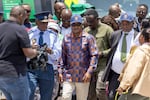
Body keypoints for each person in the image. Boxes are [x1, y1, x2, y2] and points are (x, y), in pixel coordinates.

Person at [0, 5, 38, 100]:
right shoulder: (20, 29)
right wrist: (35, 51)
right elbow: (28, 53)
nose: (25, 20)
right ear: (20, 15)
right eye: (25, 17)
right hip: (15, 73)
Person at [58, 14, 99, 100]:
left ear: (82, 25)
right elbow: (63, 56)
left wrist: (89, 72)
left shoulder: (88, 38)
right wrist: (60, 71)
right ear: (70, 25)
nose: (76, 27)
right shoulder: (66, 38)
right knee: (65, 97)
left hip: (83, 74)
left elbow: (94, 55)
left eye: (78, 24)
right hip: (69, 73)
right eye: (74, 25)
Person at [101, 13, 138, 100]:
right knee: (111, 96)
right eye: (122, 24)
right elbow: (111, 49)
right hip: (115, 73)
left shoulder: (138, 36)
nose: (124, 26)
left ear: (133, 23)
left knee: (127, 97)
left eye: (127, 24)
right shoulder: (115, 35)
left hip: (130, 75)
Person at [28, 11, 61, 100]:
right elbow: (23, 50)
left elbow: (58, 54)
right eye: (42, 23)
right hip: (32, 67)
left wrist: (51, 51)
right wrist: (30, 48)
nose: (45, 25)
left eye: (46, 23)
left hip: (46, 67)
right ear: (37, 22)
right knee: (30, 92)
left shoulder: (52, 35)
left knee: (47, 95)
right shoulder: (30, 34)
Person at [84, 9, 113, 100]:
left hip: (102, 65)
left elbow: (114, 48)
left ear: (97, 19)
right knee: (90, 93)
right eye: (88, 22)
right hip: (90, 66)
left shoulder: (107, 30)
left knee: (100, 90)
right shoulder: (85, 31)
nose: (90, 24)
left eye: (92, 22)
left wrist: (102, 53)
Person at [117, 28, 150, 100]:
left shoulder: (141, 52)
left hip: (137, 89)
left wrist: (123, 86)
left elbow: (133, 71)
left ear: (141, 37)